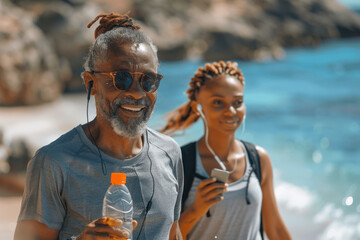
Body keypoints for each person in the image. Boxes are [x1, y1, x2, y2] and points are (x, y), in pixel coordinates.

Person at [15, 13, 183, 240]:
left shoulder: (170, 152)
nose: (136, 92)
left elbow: (173, 234)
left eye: (148, 80)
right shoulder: (53, 162)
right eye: (121, 79)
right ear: (91, 83)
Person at [160, 61, 292, 240]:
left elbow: (275, 229)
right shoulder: (181, 162)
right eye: (218, 103)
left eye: (237, 102)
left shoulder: (258, 158)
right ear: (199, 108)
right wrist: (196, 210)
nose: (230, 111)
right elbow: (165, 237)